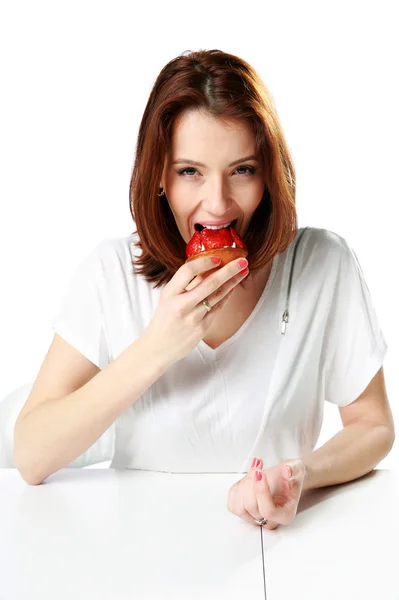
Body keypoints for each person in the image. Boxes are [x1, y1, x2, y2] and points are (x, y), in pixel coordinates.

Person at [14, 49, 395, 530]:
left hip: (276, 550)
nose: (217, 203)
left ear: (268, 177)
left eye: (242, 170)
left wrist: (300, 476)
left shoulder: (321, 265)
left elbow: (374, 424)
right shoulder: (110, 273)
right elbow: (30, 455)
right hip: (138, 543)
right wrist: (157, 347)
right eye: (190, 171)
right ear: (159, 177)